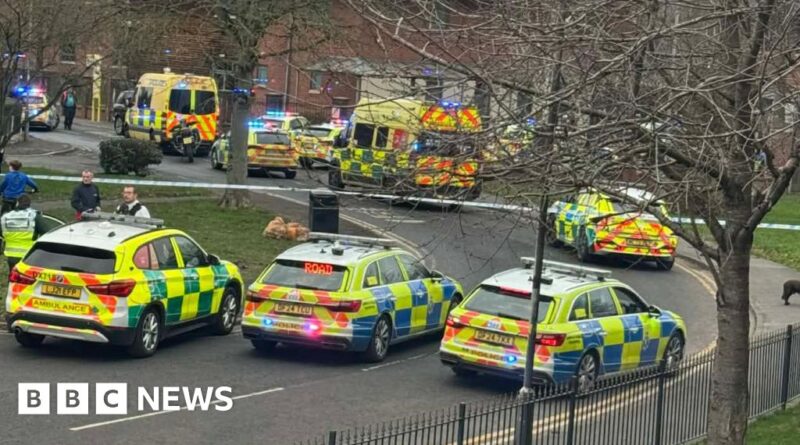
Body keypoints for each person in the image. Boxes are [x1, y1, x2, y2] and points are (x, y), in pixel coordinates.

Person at [1, 194, 46, 272]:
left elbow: (1, 233)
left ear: (17, 203)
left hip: (11, 255)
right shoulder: (33, 216)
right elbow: (46, 232)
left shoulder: (6, 217)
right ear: (29, 204)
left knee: (13, 277)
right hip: (29, 255)